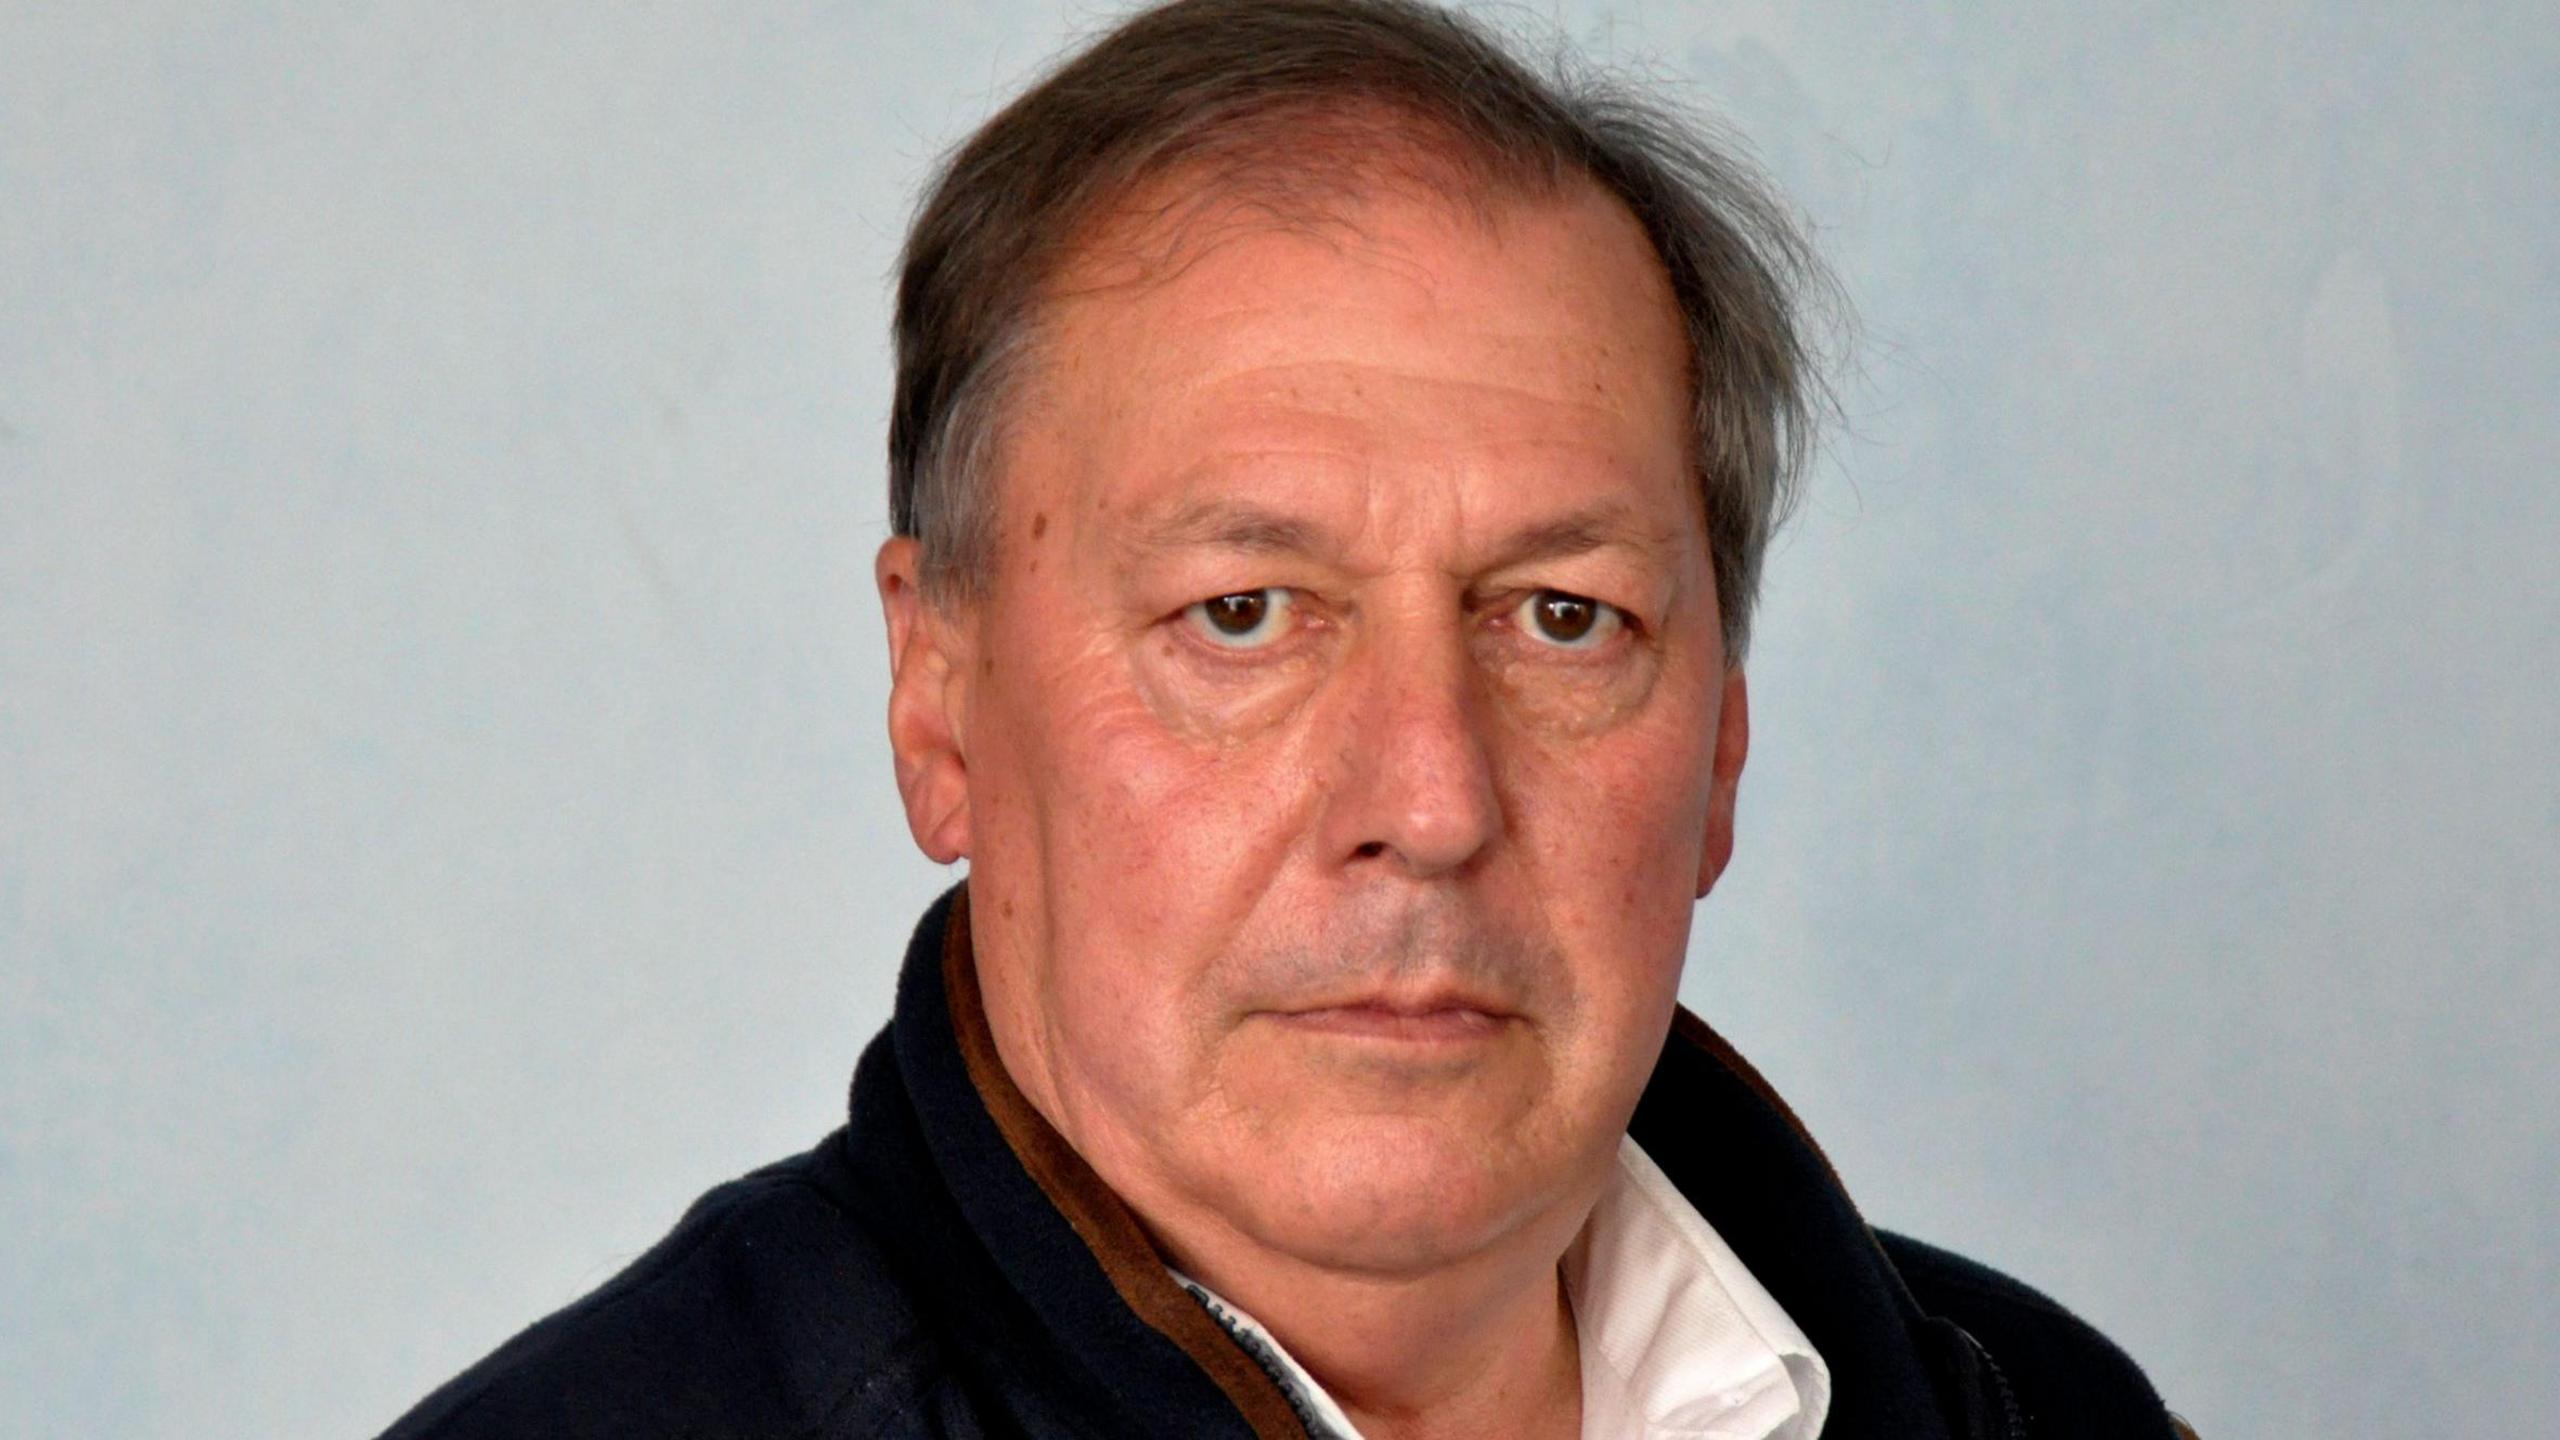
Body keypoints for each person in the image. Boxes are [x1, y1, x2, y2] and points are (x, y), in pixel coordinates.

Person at [381, 1, 2193, 1436]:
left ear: (1720, 749)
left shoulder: (2043, 1413)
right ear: (940, 705)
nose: (1428, 795)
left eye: (1565, 618)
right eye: (1241, 616)